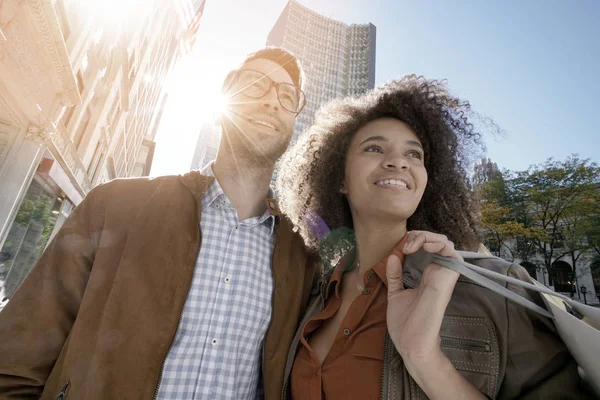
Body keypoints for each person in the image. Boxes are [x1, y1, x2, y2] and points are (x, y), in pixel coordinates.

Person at [0, 47, 318, 400]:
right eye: (255, 85)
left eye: (287, 96)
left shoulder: (303, 254)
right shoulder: (115, 205)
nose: (272, 101)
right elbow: (16, 362)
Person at [275, 76, 592, 399]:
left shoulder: (500, 288)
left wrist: (427, 361)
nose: (398, 161)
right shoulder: (314, 295)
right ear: (339, 178)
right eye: (374, 148)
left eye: (415, 155)